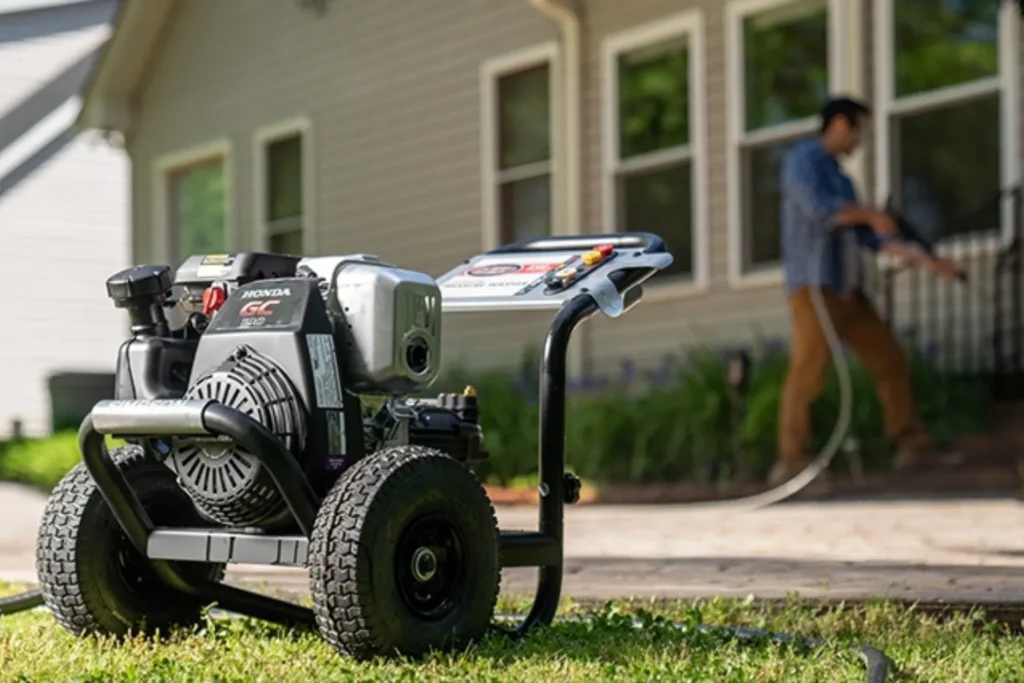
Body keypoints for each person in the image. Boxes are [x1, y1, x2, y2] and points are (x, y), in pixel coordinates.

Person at [771, 96, 963, 487]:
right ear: (841, 125)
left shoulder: (844, 181)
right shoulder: (803, 160)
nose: (861, 140)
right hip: (814, 286)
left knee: (890, 358)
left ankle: (912, 447)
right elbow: (820, 212)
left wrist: (931, 263)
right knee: (808, 374)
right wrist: (872, 214)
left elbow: (871, 241)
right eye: (860, 129)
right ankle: (791, 462)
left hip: (848, 289)